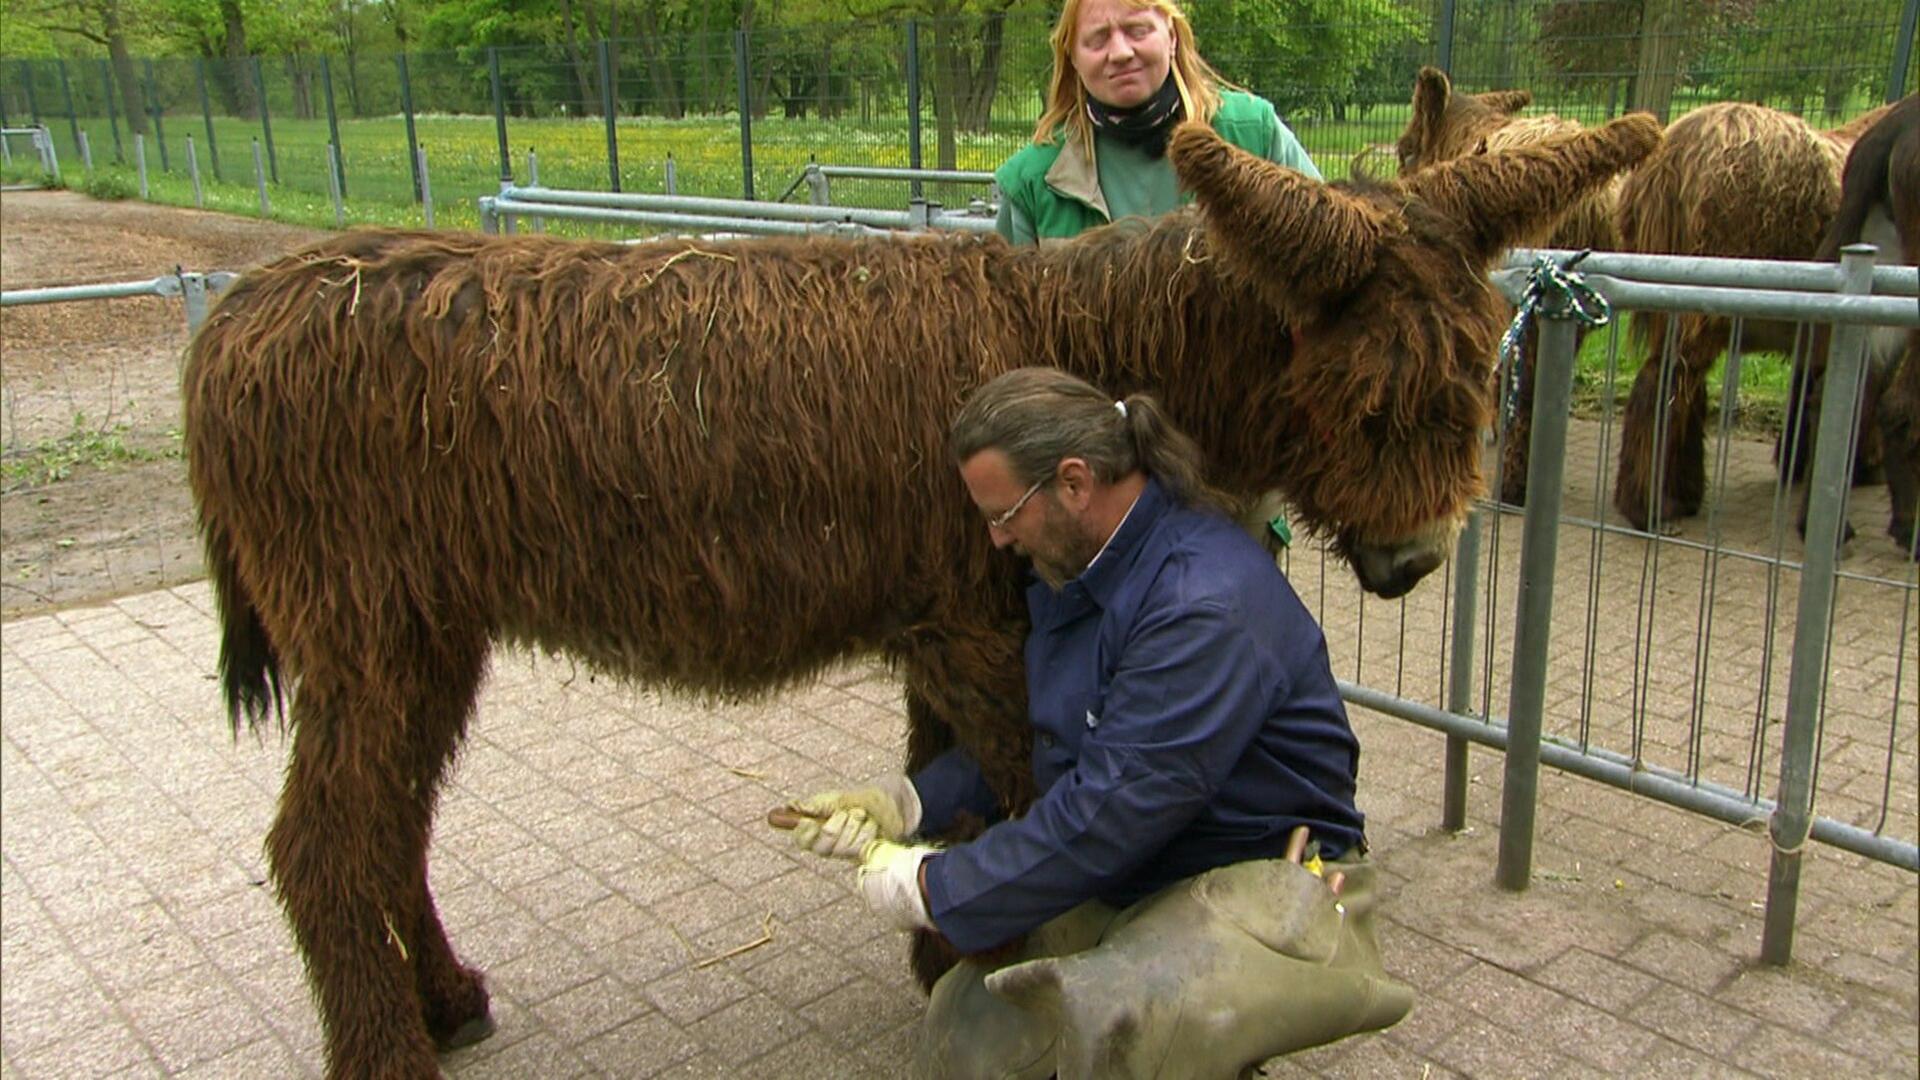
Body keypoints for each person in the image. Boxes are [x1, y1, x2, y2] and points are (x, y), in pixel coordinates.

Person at [777, 368, 1410, 1078]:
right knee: (969, 1036)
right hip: (1151, 865)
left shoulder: (1198, 603)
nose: (996, 539)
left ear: (1075, 483)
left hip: (1276, 876)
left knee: (1117, 1024)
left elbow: (1114, 809)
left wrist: (930, 886)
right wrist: (906, 801)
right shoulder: (1084, 568)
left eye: (1004, 513)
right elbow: (1056, 742)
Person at [994, 0, 1322, 246]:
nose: (1120, 52)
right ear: (1073, 57)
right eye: (1097, 39)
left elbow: (1331, 256)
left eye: (1138, 30)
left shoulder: (1255, 135)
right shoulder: (1032, 183)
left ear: (1172, 35)